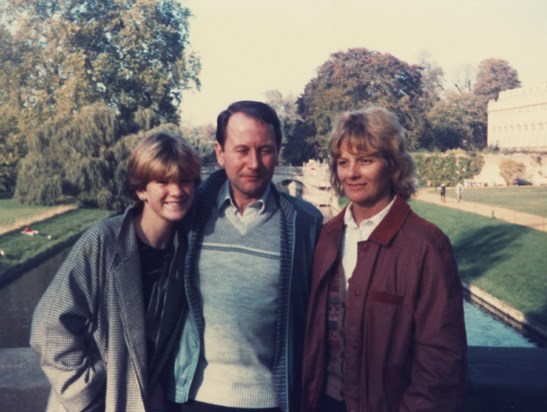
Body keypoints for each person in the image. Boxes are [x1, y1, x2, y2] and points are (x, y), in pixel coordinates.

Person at [301, 107, 467, 412]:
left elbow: (441, 360)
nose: (351, 173)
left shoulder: (426, 244)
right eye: (343, 162)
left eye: (365, 160)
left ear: (392, 165)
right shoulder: (327, 236)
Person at [167, 101, 324, 412]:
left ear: (278, 151)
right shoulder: (188, 212)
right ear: (220, 152)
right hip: (196, 397)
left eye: (265, 150)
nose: (254, 163)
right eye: (241, 150)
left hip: (272, 401)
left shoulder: (304, 223)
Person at [31, 131, 201, 412]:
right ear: (141, 190)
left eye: (185, 181)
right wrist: (85, 390)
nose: (177, 191)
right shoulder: (104, 241)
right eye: (163, 181)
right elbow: (49, 324)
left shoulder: (182, 248)